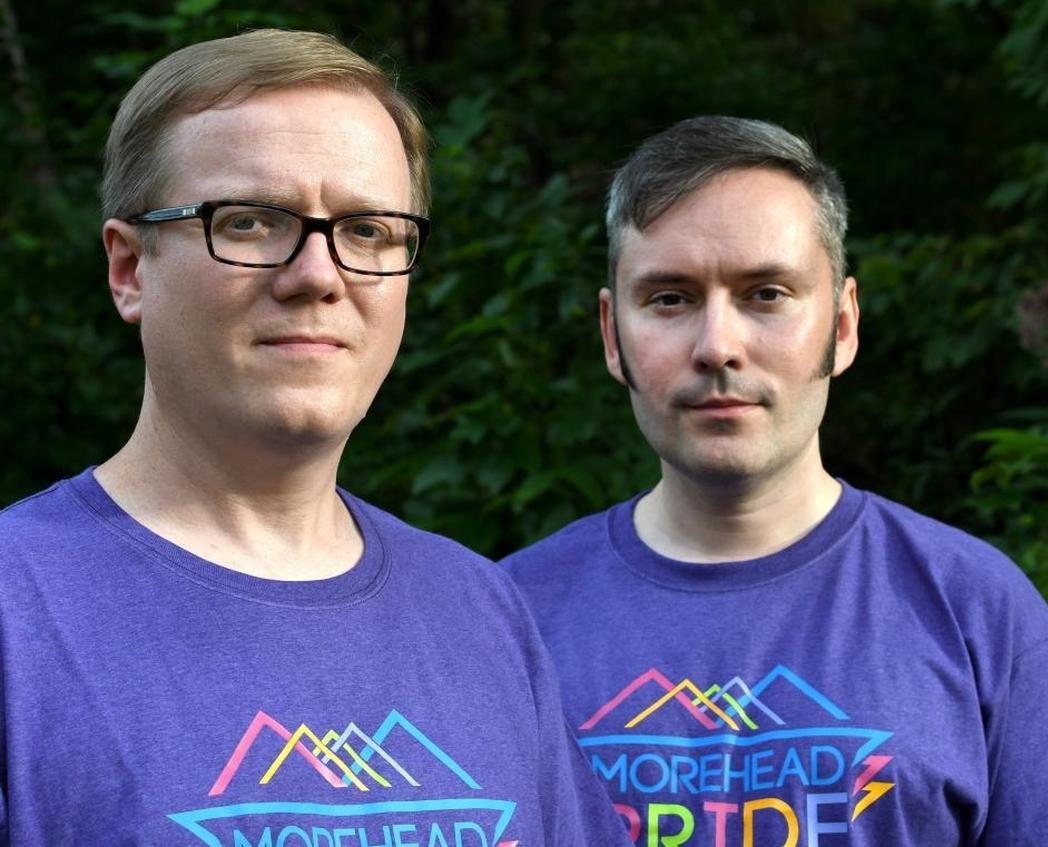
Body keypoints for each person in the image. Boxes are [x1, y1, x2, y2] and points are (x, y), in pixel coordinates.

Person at [0, 29, 628, 846]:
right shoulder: (17, 613)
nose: (319, 275)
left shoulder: (480, 609)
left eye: (369, 230)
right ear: (130, 270)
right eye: (253, 220)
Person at [501, 116, 1048, 845]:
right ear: (614, 335)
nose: (718, 347)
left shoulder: (973, 610)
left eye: (766, 293)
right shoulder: (508, 619)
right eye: (671, 298)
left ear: (842, 325)